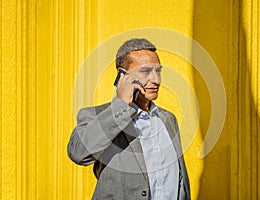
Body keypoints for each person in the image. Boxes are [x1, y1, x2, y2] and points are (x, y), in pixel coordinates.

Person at [67, 38, 190, 200]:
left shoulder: (168, 119)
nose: (156, 80)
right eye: (145, 71)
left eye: (158, 71)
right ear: (122, 75)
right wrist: (121, 105)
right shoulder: (98, 116)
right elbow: (78, 153)